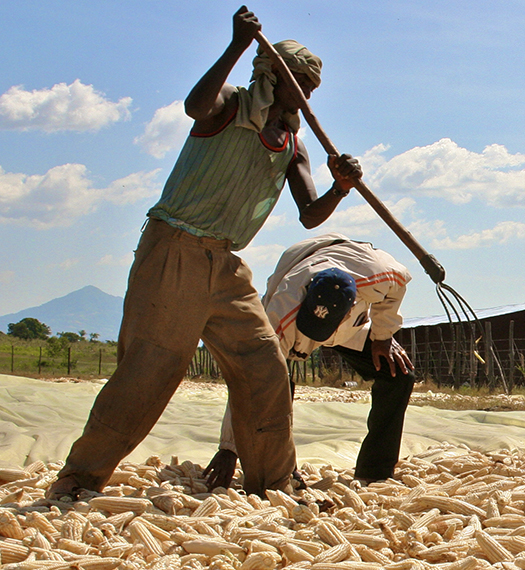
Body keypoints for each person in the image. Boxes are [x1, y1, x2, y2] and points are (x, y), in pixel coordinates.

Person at [48, 6, 362, 499]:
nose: (304, 96)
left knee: (264, 366)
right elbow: (195, 105)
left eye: (311, 89)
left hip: (227, 263)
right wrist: (238, 44)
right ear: (269, 75)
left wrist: (341, 187)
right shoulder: (229, 104)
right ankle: (79, 479)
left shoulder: (292, 145)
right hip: (174, 247)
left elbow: (309, 213)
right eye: (296, 83)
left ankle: (273, 483)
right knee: (151, 369)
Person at [204, 234, 414, 488]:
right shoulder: (279, 313)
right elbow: (250, 379)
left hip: (350, 324)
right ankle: (281, 467)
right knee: (276, 385)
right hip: (296, 306)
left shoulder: (378, 274)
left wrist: (383, 335)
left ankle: (375, 471)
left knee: (398, 374)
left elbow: (398, 286)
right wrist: (229, 447)